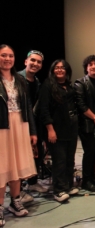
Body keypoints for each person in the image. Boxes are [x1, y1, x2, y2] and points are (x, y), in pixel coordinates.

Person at [0, 44, 37, 223]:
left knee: (16, 164)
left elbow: (28, 107)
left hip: (19, 126)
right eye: (3, 55)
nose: (7, 59)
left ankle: (14, 201)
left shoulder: (19, 79)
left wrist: (32, 131)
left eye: (10, 56)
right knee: (2, 166)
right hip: (2, 127)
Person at [39, 59, 79, 202]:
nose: (60, 70)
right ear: (53, 70)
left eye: (63, 68)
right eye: (57, 68)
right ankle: (59, 190)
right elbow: (44, 110)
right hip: (56, 130)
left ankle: (67, 185)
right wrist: (50, 129)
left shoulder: (69, 86)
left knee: (70, 159)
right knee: (59, 161)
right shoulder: (48, 85)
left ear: (67, 70)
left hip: (71, 130)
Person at [18, 50, 48, 197]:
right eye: (33, 60)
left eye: (39, 62)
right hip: (19, 123)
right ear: (26, 61)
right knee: (19, 156)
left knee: (37, 153)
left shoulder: (36, 81)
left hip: (34, 123)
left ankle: (32, 183)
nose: (35, 64)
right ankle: (18, 190)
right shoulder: (16, 79)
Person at [74, 55, 95, 192]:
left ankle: (92, 178)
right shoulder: (80, 83)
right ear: (86, 67)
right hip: (87, 125)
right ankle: (86, 181)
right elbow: (81, 105)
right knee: (89, 152)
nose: (93, 66)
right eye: (90, 64)